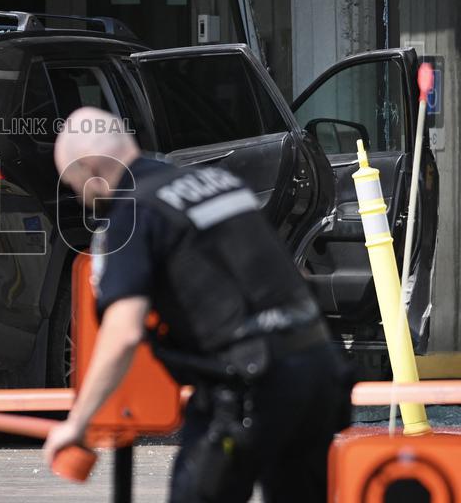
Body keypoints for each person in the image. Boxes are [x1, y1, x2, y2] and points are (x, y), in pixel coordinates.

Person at [43, 108, 353, 503]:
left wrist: (78, 423)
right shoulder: (217, 182)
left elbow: (123, 333)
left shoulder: (133, 210)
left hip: (252, 386)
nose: (80, 197)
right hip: (318, 370)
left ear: (88, 168)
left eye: (75, 185)